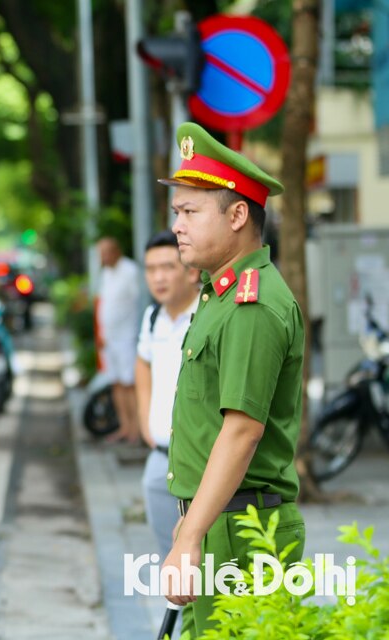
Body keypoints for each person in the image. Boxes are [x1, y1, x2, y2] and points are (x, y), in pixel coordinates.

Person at [159, 122, 306, 638]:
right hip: (220, 519)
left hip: (242, 534)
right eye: (177, 212)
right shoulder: (220, 295)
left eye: (190, 212)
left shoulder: (252, 304)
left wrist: (191, 534)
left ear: (238, 214)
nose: (177, 224)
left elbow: (242, 430)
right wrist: (193, 523)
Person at [135, 230, 201, 560]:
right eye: (150, 269)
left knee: (206, 561)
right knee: (169, 557)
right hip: (160, 456)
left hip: (199, 464)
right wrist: (146, 423)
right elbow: (142, 363)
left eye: (167, 267)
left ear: (191, 270)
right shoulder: (152, 318)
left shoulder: (207, 316)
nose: (158, 277)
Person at [95, 236, 141, 443]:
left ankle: (137, 430)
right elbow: (104, 303)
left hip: (126, 337)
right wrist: (101, 334)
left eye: (105, 252)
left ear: (115, 251)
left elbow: (136, 302)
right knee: (116, 384)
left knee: (129, 384)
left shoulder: (130, 270)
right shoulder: (106, 273)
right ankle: (124, 427)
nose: (102, 257)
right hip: (109, 337)